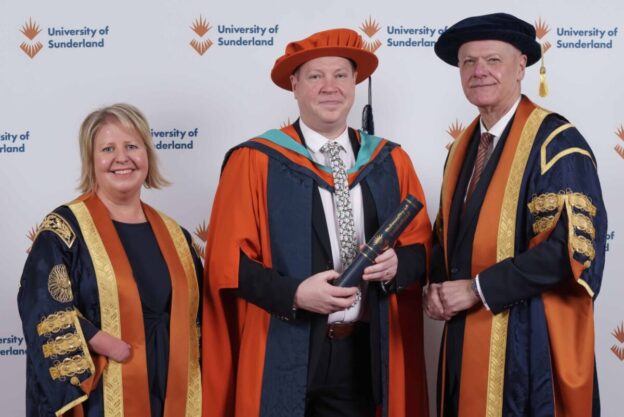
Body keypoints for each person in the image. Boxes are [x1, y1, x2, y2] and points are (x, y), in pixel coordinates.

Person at [202, 28, 431, 417]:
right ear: (294, 85)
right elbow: (228, 265)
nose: (330, 87)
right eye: (315, 76)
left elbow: (424, 250)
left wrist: (397, 265)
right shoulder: (255, 161)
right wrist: (294, 295)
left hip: (364, 352)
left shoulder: (390, 162)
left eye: (341, 75)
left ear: (355, 83)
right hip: (286, 341)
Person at [425, 13, 607, 417]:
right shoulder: (461, 149)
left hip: (528, 346)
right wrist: (435, 285)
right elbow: (448, 238)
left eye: (493, 60)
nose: (479, 72)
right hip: (463, 340)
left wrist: (475, 290)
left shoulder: (556, 143)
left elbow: (567, 251)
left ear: (522, 65)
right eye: (468, 62)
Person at [17, 103, 202, 417]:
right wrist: (99, 339)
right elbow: (40, 306)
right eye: (107, 148)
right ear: (91, 160)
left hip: (170, 396)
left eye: (132, 146)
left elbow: (199, 323)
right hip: (101, 399)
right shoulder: (64, 231)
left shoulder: (178, 237)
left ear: (147, 155)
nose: (122, 158)